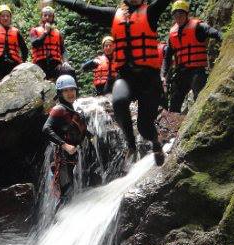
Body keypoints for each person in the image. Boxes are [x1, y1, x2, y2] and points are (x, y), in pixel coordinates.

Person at [54, 0, 172, 167]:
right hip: (126, 78)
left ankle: (155, 143)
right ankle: (131, 145)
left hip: (149, 80)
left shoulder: (151, 12)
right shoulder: (114, 15)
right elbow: (85, 9)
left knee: (144, 127)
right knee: (118, 101)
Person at [162, 0, 221, 113]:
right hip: (181, 71)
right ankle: (174, 122)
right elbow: (167, 57)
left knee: (199, 97)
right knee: (174, 102)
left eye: (181, 14)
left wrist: (226, 39)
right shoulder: (172, 33)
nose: (178, 17)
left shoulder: (199, 27)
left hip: (197, 70)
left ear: (186, 14)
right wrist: (163, 75)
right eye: (176, 15)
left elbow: (215, 33)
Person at [43, 75, 88, 205]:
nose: (70, 93)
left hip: (70, 158)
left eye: (72, 89)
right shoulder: (59, 109)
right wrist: (64, 145)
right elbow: (46, 128)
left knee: (69, 191)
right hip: (60, 158)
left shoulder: (72, 110)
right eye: (66, 90)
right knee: (66, 193)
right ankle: (62, 215)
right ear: (60, 93)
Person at [29, 6, 72, 80]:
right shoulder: (34, 31)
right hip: (40, 65)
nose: (47, 17)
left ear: (53, 18)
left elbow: (63, 50)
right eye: (45, 15)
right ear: (41, 17)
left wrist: (66, 62)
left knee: (69, 71)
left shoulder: (58, 33)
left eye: (50, 16)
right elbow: (35, 44)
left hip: (55, 65)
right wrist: (45, 32)